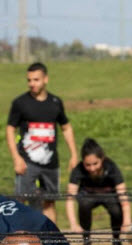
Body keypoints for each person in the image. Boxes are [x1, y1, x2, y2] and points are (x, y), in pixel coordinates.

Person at [6, 62, 78, 223]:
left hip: (51, 163)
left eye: (36, 80)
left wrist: (74, 154)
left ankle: (50, 240)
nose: (32, 83)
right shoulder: (20, 103)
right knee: (21, 200)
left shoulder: (55, 102)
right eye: (29, 80)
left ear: (45, 79)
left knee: (49, 202)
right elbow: (10, 129)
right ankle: (19, 240)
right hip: (27, 162)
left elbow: (66, 128)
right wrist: (16, 158)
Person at [66, 138, 132, 245]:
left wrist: (127, 221)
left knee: (116, 210)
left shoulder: (111, 167)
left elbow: (123, 197)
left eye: (95, 164)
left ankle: (116, 240)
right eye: (88, 165)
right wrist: (73, 224)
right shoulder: (78, 170)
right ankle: (86, 240)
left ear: (102, 159)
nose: (92, 168)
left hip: (108, 196)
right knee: (84, 204)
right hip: (88, 196)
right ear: (83, 162)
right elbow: (69, 199)